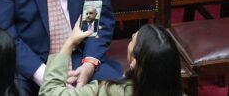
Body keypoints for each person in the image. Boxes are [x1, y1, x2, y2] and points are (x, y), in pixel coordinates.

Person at [39, 22, 182, 96]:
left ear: (133, 63)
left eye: (132, 39)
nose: (131, 35)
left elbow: (50, 93)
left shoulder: (108, 90)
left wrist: (69, 43)